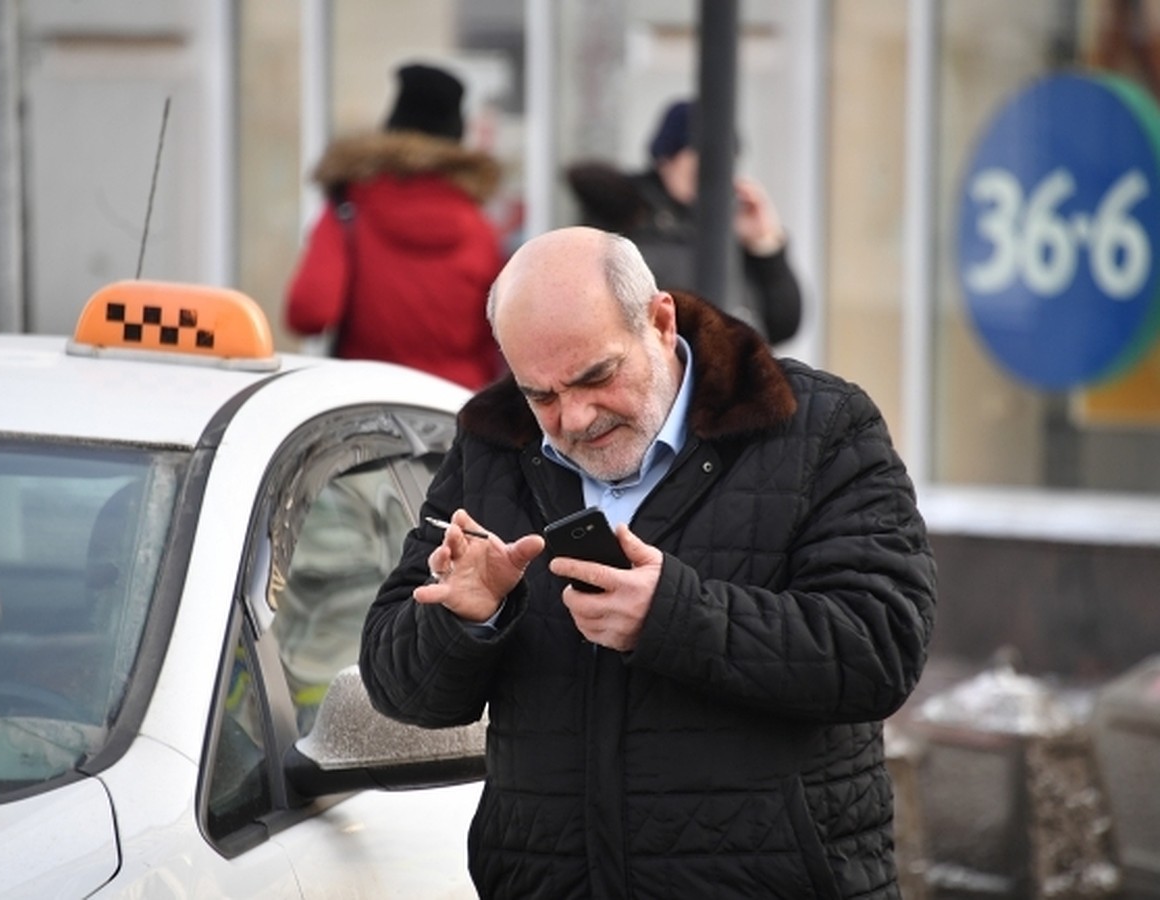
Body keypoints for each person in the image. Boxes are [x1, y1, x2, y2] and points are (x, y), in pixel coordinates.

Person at [360, 226, 937, 899]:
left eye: (596, 376)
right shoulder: (492, 445)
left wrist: (675, 616)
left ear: (660, 322)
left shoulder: (819, 427)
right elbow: (398, 686)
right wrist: (465, 619)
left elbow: (882, 645)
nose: (574, 417)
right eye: (541, 395)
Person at [284, 62, 504, 390]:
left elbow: (309, 311)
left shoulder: (348, 209)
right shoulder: (480, 229)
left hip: (366, 401)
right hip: (457, 406)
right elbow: (500, 337)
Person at [566, 99, 803, 344]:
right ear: (667, 159)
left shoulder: (732, 227)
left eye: (724, 163)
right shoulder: (624, 216)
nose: (711, 175)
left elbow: (783, 324)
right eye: (700, 160)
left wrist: (764, 245)